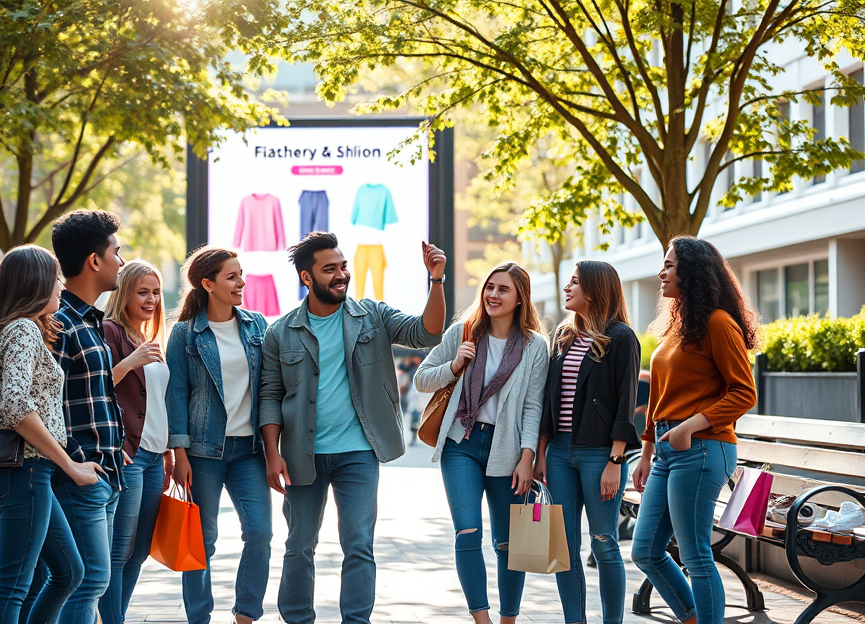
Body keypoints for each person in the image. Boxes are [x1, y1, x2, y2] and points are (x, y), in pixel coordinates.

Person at [260, 232, 446, 624]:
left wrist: (436, 280)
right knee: (298, 546)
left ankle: (356, 621)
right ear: (307, 278)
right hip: (300, 457)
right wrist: (273, 454)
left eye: (343, 266)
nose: (342, 274)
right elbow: (270, 395)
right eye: (330, 269)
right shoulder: (281, 332)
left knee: (359, 544)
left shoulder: (372, 315)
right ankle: (296, 619)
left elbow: (426, 333)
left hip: (358, 453)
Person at [0, 245, 103, 624]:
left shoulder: (20, 329)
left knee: (68, 572)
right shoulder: (24, 329)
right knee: (16, 582)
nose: (61, 285)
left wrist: (67, 461)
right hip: (22, 469)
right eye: (55, 277)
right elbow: (15, 406)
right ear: (35, 283)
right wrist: (71, 466)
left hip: (29, 470)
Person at [631, 236, 758, 624]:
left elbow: (745, 392)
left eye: (669, 265)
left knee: (696, 555)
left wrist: (691, 425)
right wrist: (648, 452)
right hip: (670, 449)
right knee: (646, 551)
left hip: (703, 448)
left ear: (692, 272)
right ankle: (692, 617)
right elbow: (659, 395)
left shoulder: (718, 323)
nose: (661, 272)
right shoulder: (676, 325)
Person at [413, 262, 548, 624]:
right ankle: (482, 619)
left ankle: (508, 619)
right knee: (467, 531)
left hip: (508, 449)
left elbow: (534, 405)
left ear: (520, 298)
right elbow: (422, 380)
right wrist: (454, 365)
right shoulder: (463, 333)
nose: (493, 295)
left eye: (503, 289)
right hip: (462, 444)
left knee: (508, 544)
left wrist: (527, 457)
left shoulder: (536, 347)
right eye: (490, 287)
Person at [167, 246, 272, 624]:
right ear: (208, 284)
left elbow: (270, 389)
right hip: (203, 452)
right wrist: (179, 454)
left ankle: (246, 613)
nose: (241, 282)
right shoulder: (184, 334)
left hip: (249, 452)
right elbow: (176, 394)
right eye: (232, 276)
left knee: (260, 533)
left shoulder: (257, 326)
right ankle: (199, 617)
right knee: (202, 541)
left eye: (241, 274)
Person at [534, 261, 640, 624]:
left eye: (575, 282)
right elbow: (550, 398)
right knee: (563, 549)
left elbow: (626, 404)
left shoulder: (621, 336)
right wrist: (542, 451)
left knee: (605, 543)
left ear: (594, 290)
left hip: (600, 455)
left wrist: (615, 460)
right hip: (560, 453)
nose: (567, 288)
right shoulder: (562, 335)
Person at [50, 209, 126, 624]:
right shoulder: (60, 323)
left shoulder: (91, 320)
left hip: (106, 472)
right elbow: (46, 404)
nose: (121, 260)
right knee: (89, 580)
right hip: (81, 476)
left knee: (92, 580)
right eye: (117, 251)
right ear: (94, 261)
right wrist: (78, 461)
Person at [100, 259, 173, 623]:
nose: (151, 299)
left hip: (155, 456)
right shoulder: (110, 331)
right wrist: (129, 361)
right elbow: (96, 390)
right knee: (118, 551)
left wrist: (170, 451)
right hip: (128, 454)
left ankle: (117, 617)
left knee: (140, 551)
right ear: (124, 293)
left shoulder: (149, 337)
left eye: (156, 292)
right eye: (142, 292)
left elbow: (159, 401)